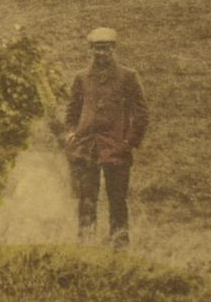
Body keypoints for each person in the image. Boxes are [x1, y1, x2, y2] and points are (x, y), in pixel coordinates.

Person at [63, 26, 150, 248]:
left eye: (105, 49)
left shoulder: (128, 77)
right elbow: (72, 111)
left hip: (116, 148)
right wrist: (71, 133)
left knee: (117, 200)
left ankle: (119, 246)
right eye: (96, 49)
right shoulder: (81, 78)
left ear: (113, 49)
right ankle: (85, 244)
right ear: (90, 50)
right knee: (86, 200)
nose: (100, 53)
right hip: (86, 148)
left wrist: (129, 142)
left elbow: (141, 114)